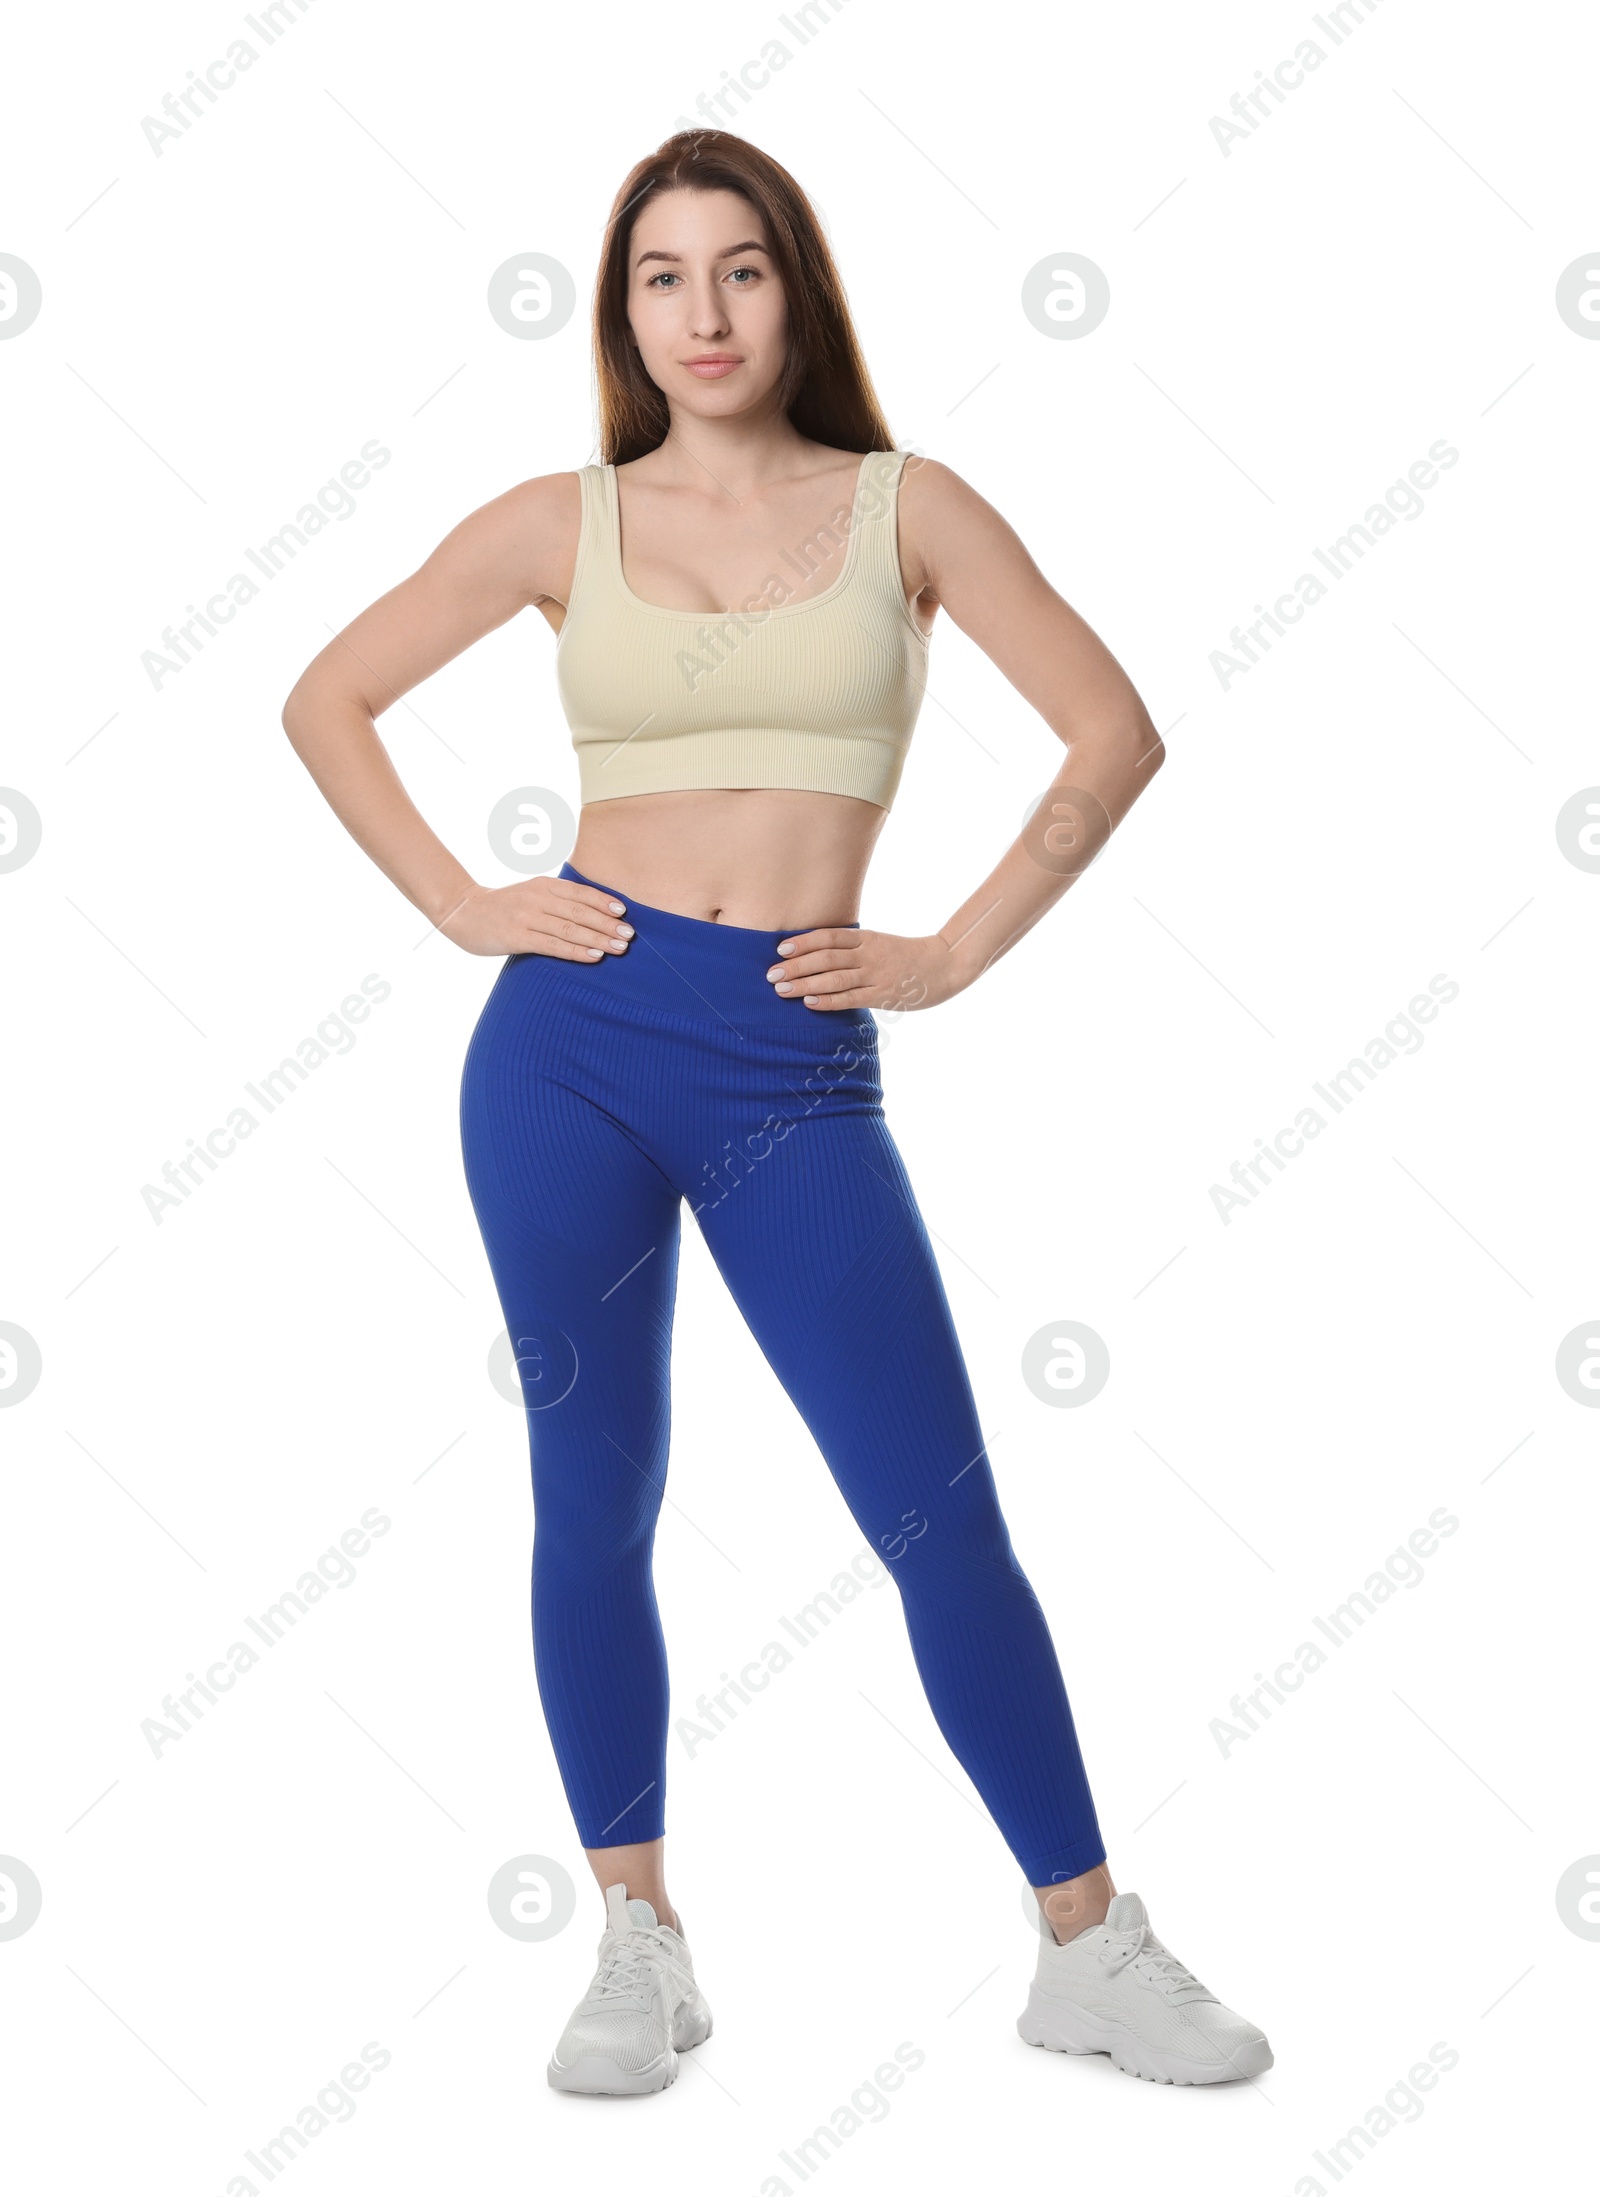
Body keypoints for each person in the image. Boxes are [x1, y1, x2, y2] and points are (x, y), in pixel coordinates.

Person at [281, 127, 1272, 2096]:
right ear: (620, 308)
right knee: (595, 1494)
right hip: (564, 1045)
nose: (701, 311)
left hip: (793, 1061)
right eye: (661, 275)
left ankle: (1084, 1941)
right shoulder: (552, 519)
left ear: (793, 291)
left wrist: (958, 943)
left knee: (933, 1513)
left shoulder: (907, 505)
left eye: (737, 270)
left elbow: (1111, 727)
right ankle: (636, 1938)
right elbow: (326, 697)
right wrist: (465, 902)